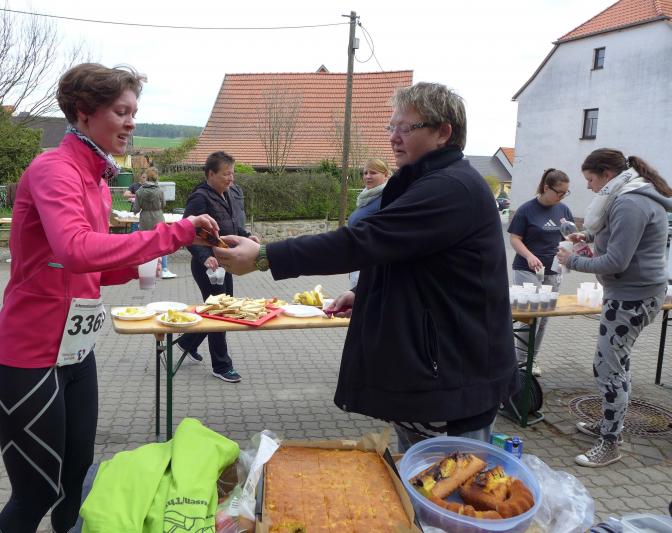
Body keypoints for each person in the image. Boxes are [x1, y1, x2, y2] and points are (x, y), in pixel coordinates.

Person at [214, 82, 518, 450]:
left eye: (406, 127)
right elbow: (404, 256)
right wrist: (365, 292)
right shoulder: (427, 183)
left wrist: (265, 256)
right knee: (413, 476)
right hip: (435, 379)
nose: (393, 137)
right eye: (391, 126)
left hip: (456, 382)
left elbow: (363, 241)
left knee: (450, 485)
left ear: (443, 132)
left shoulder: (451, 188)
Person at [0, 63, 218, 532]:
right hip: (28, 356)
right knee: (36, 494)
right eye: (121, 112)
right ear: (84, 112)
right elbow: (75, 249)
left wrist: (145, 262)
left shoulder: (97, 181)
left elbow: (86, 267)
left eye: (134, 113)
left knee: (75, 479)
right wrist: (171, 234)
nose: (131, 123)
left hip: (76, 351)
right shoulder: (54, 169)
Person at [556, 148, 672, 467]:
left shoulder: (629, 202)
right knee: (615, 363)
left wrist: (573, 260)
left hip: (631, 298)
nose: (589, 186)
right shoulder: (629, 194)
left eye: (591, 179)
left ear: (607, 175)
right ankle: (611, 423)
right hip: (633, 293)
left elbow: (616, 261)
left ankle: (610, 442)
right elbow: (615, 235)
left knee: (607, 368)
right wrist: (586, 235)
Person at [177, 151, 258, 383]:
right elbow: (187, 233)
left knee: (221, 308)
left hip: (225, 263)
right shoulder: (199, 198)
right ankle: (221, 365)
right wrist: (204, 257)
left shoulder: (230, 193)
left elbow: (232, 225)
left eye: (232, 173)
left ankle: (187, 342)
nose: (231, 178)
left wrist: (247, 237)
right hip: (207, 267)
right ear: (210, 174)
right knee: (221, 313)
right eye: (226, 174)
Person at [508, 168, 574, 376]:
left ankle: (532, 359)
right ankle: (520, 362)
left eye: (565, 193)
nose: (562, 197)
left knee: (544, 317)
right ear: (546, 188)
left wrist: (570, 247)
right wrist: (529, 256)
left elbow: (568, 237)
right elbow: (514, 239)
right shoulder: (526, 210)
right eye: (559, 192)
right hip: (527, 269)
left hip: (553, 270)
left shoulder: (563, 210)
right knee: (529, 316)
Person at [347, 158, 392, 288]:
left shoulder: (388, 198)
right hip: (358, 260)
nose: (367, 176)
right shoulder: (366, 197)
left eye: (373, 173)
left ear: (385, 175)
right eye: (365, 173)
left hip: (372, 264)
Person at [133, 167, 177, 278]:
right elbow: (163, 205)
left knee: (145, 243)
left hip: (145, 219)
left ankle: (146, 268)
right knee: (162, 243)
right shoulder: (160, 191)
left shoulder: (139, 192)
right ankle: (164, 268)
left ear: (147, 178)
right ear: (156, 178)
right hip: (158, 217)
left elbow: (136, 209)